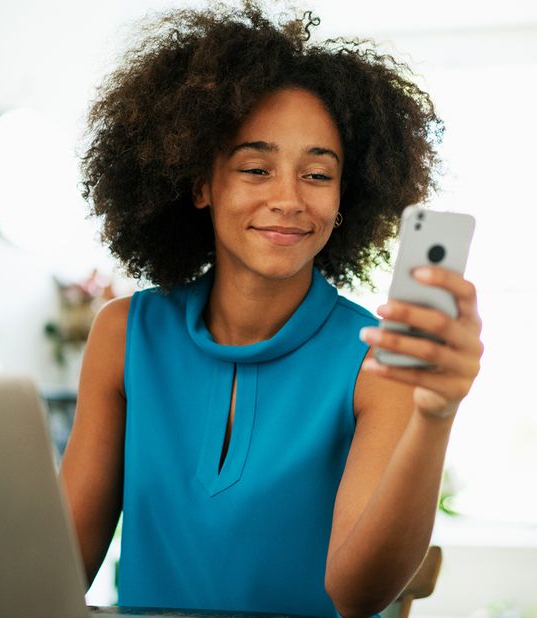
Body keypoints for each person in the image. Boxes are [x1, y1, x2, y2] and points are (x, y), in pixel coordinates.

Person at [61, 3, 483, 617]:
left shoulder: (377, 359)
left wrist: (435, 416)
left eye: (316, 174)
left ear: (345, 198)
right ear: (201, 184)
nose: (287, 198)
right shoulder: (126, 335)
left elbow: (358, 593)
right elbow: (59, 566)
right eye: (256, 168)